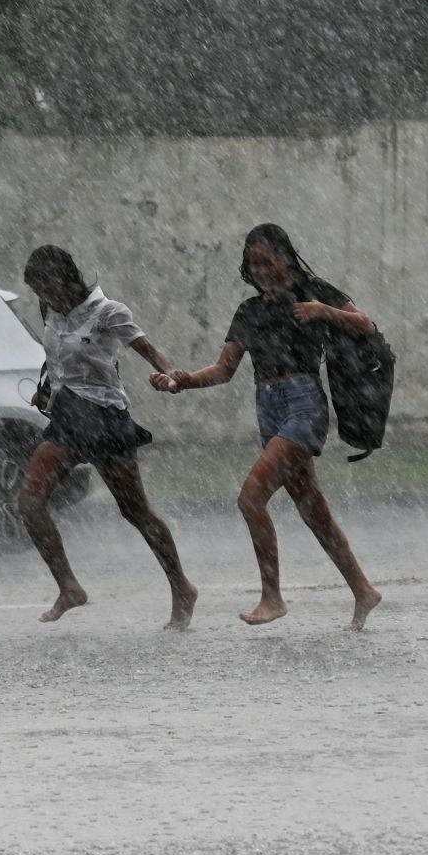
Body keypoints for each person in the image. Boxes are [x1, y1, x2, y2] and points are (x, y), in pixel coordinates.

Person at [149, 224, 384, 631]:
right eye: (254, 264)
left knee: (250, 498)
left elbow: (366, 323)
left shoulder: (314, 290)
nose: (261, 270)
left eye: (268, 261)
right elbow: (224, 370)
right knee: (315, 513)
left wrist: (324, 311)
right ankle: (363, 589)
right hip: (269, 409)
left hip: (303, 404)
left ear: (286, 257)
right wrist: (182, 380)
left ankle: (272, 596)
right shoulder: (250, 311)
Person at [18, 244, 199, 630]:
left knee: (135, 511)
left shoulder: (107, 312)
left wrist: (170, 376)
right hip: (68, 417)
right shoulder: (51, 311)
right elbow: (55, 358)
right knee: (31, 501)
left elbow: (150, 350)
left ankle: (182, 587)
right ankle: (69, 587)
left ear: (67, 278)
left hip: (104, 418)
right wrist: (45, 389)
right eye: (39, 292)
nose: (45, 298)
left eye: (48, 288)